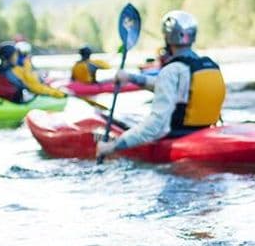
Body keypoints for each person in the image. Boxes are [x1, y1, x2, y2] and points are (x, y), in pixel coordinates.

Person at [96, 10, 226, 157]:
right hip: (208, 132)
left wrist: (113, 146)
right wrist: (131, 77)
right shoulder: (209, 65)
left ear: (167, 37)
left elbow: (155, 126)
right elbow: (168, 86)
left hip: (179, 138)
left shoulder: (172, 70)